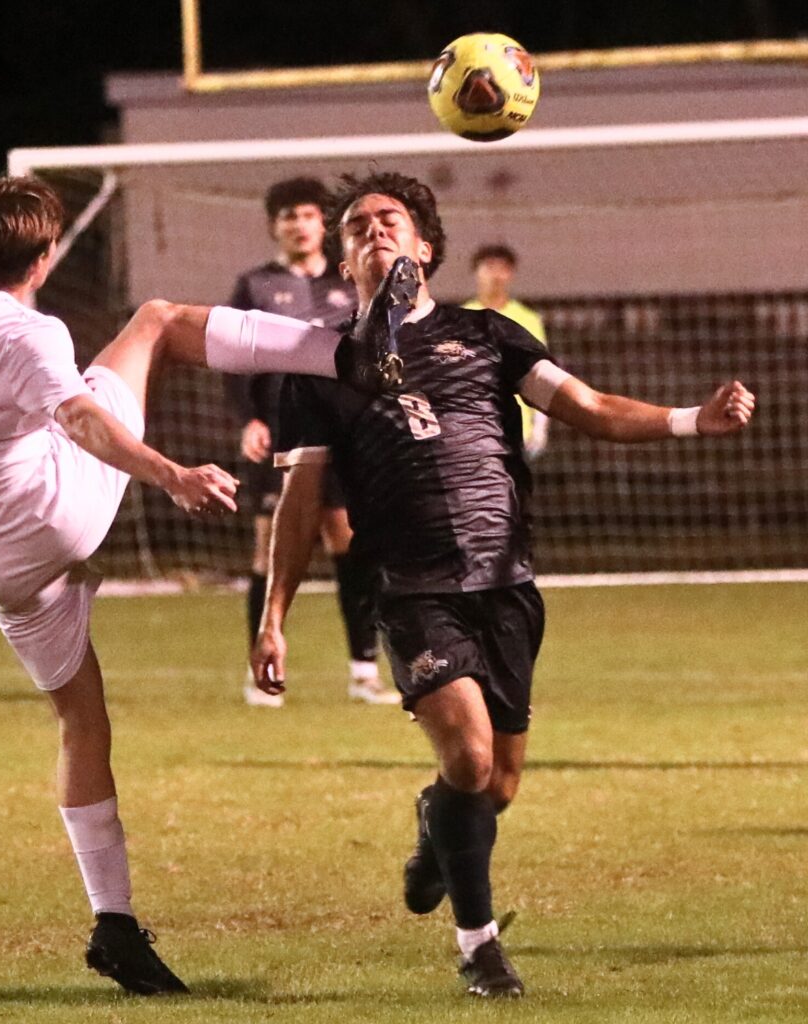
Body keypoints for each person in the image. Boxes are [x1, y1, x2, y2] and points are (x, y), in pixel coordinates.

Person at [0, 174, 373, 997]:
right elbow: (82, 419)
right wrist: (167, 471)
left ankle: (114, 925)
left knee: (82, 719)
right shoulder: (28, 333)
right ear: (45, 258)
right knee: (154, 321)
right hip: (53, 515)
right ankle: (351, 352)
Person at [248, 171, 755, 999]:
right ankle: (479, 949)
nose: (374, 231)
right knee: (473, 757)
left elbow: (587, 405)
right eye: (357, 226)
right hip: (412, 588)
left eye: (391, 220)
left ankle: (434, 830)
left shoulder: (486, 335)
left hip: (507, 583)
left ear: (426, 247)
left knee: (498, 786)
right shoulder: (320, 365)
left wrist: (693, 419)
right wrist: (272, 616)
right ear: (342, 259)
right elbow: (300, 502)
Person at [225, 176, 397, 708]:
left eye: (307, 215)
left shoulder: (350, 283)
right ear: (274, 226)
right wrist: (249, 419)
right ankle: (264, 673)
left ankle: (364, 669)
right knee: (270, 551)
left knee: (350, 546)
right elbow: (233, 360)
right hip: (280, 435)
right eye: (288, 217)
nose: (299, 225)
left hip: (343, 437)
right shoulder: (254, 286)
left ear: (323, 224)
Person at [464, 243, 550, 459]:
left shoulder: (528, 319)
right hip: (473, 429)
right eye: (489, 267)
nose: (496, 275)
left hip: (519, 430)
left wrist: (540, 425)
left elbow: (541, 374)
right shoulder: (462, 317)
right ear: (476, 272)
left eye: (503, 268)